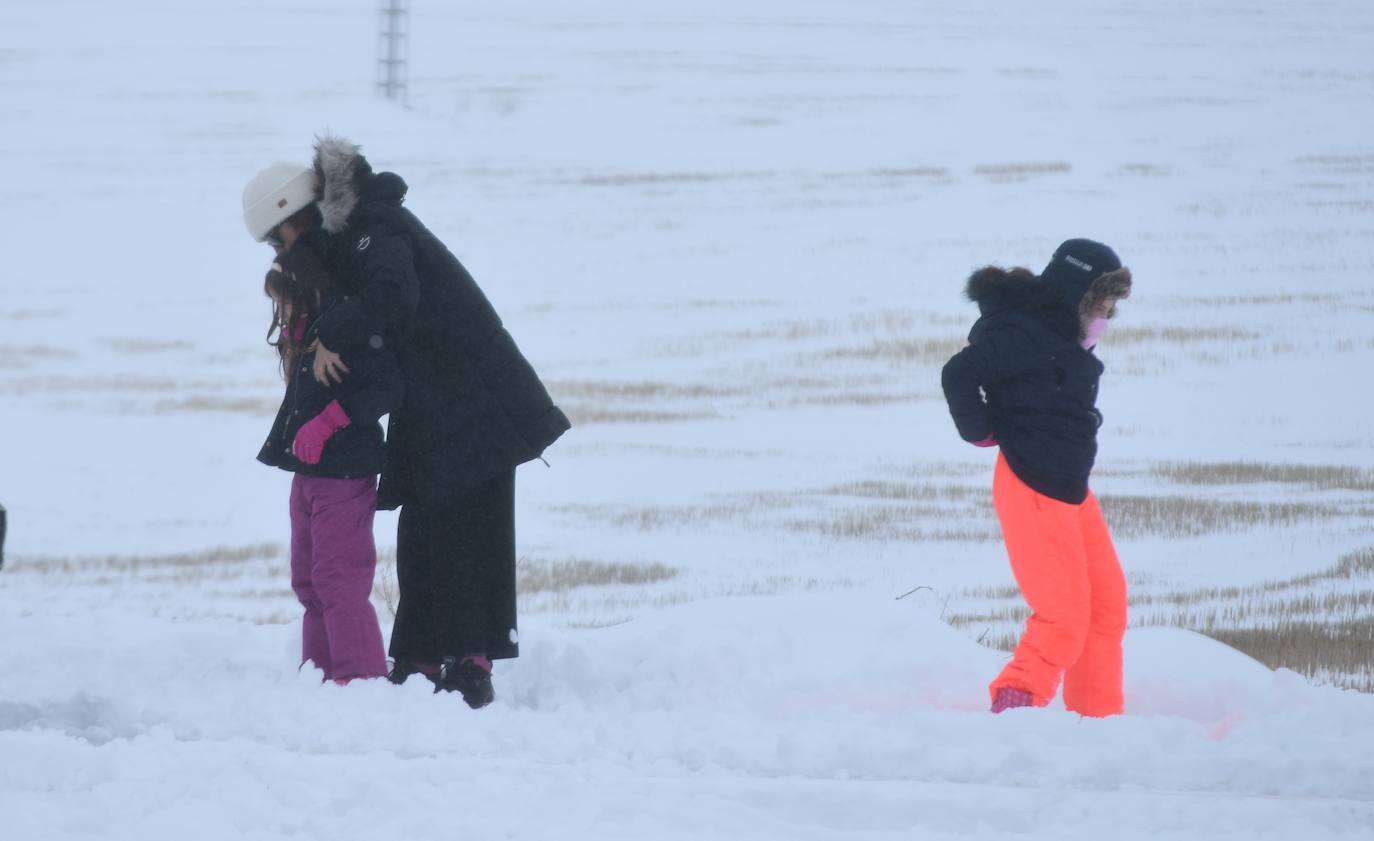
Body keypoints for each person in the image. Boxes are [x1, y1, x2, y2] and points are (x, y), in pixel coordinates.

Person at [252, 137, 570, 708]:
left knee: (471, 524)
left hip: (476, 392)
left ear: (299, 213)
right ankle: (423, 657)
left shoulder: (374, 225)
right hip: (434, 396)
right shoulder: (354, 237)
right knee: (425, 522)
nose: (276, 250)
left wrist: (333, 333)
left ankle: (470, 662)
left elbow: (393, 293)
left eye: (277, 235)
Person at [940, 239, 1133, 717]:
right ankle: (1014, 708)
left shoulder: (1061, 333)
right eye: (1105, 304)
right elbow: (958, 373)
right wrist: (982, 431)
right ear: (1082, 293)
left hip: (1070, 490)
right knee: (1064, 616)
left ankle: (1097, 719)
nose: (1108, 317)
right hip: (1032, 485)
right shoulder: (1023, 334)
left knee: (1106, 609)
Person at [242, 162, 403, 684]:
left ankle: (359, 684)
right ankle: (318, 677)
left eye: (277, 238)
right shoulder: (310, 307)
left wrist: (329, 421)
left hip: (344, 468)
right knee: (309, 582)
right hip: (309, 469)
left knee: (338, 580)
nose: (277, 251)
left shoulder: (345, 305)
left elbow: (384, 384)